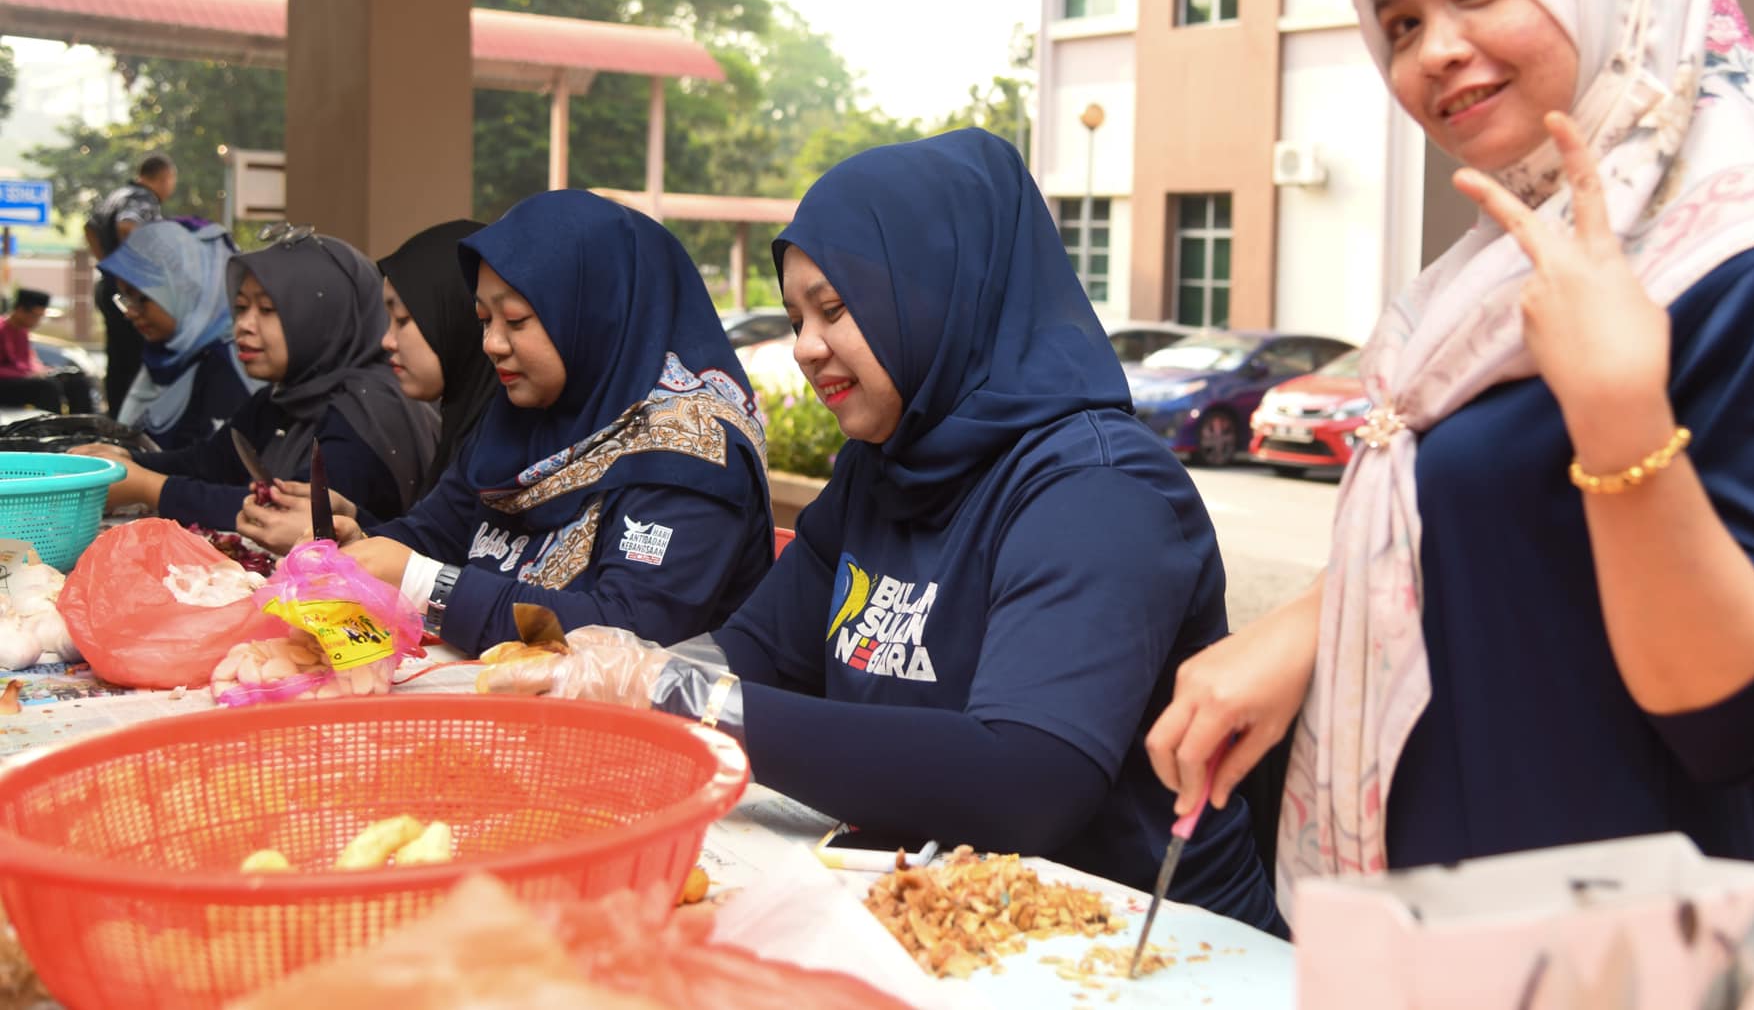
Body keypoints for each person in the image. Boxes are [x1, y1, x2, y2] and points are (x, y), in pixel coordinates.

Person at [1143, 0, 1754, 912]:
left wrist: (1618, 416)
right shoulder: (1489, 278)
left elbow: (1741, 722)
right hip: (1427, 919)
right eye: (1397, 21)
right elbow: (1491, 532)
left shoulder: (1750, 272)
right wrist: (1303, 631)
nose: (1429, 48)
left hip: (1615, 956)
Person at [482, 130, 1285, 935]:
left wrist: (676, 692)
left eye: (835, 308)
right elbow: (760, 650)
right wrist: (611, 684)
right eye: (796, 316)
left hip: (1143, 946)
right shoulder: (884, 466)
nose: (804, 348)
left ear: (939, 293)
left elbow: (1026, 780)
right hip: (931, 914)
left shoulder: (1100, 491)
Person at [324, 191, 775, 658]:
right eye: (484, 319)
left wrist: (426, 584)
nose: (492, 344)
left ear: (596, 313)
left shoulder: (690, 451)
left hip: (628, 725)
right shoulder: (524, 414)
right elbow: (441, 529)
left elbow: (627, 634)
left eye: (516, 320)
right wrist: (369, 551)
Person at [78, 230, 438, 532]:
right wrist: (125, 462)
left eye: (267, 310)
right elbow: (212, 462)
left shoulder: (368, 412)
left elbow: (290, 514)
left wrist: (150, 487)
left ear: (323, 319)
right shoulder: (286, 396)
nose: (244, 326)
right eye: (241, 307)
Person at [238, 220, 496, 553]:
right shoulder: (467, 423)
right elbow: (430, 546)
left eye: (402, 319)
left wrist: (345, 545)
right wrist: (356, 524)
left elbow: (459, 576)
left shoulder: (375, 406)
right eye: (240, 307)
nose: (386, 340)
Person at [96, 220, 252, 449]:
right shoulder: (167, 357)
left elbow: (213, 476)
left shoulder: (231, 368)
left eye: (140, 297)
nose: (129, 312)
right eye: (124, 299)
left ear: (183, 289)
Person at [83, 153, 175, 414]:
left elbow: (89, 228)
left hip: (109, 286)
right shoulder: (143, 199)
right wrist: (133, 269)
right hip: (132, 291)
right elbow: (127, 225)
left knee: (118, 359)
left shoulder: (117, 195)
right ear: (166, 177)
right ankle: (133, 422)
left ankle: (116, 418)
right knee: (138, 358)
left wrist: (108, 263)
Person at [0, 290, 94, 415]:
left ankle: (82, 428)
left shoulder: (22, 332)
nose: (37, 321)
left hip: (22, 378)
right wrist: (25, 374)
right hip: (5, 383)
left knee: (77, 381)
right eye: (35, 316)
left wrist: (46, 371)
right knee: (46, 387)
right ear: (20, 310)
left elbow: (29, 361)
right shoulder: (2, 329)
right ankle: (51, 429)